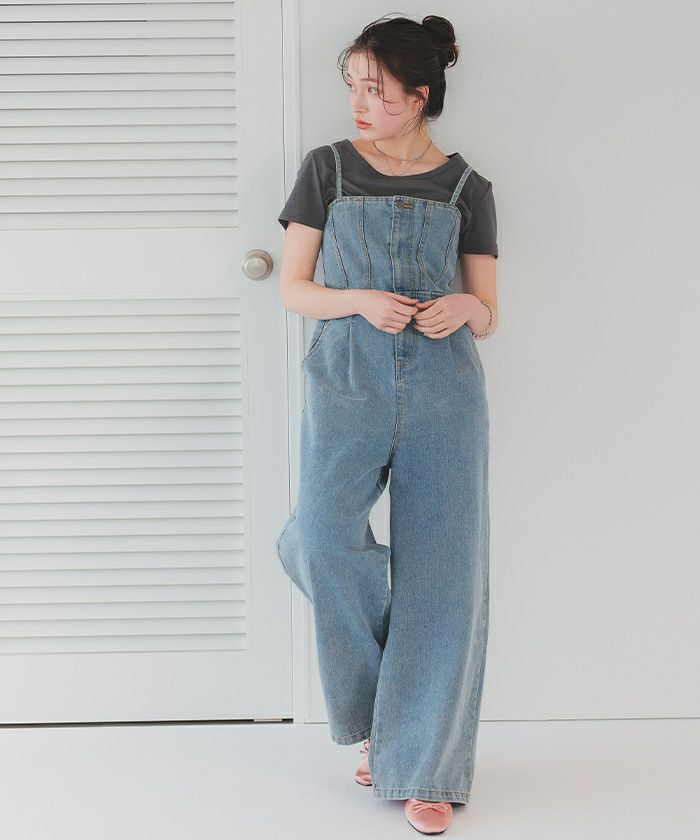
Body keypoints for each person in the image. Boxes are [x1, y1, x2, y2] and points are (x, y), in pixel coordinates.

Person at [275, 13, 498, 835]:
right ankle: (389, 720)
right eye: (354, 88)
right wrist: (360, 301)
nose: (360, 104)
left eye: (376, 90)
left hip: (445, 386)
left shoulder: (468, 187)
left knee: (446, 573)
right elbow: (294, 289)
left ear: (420, 94)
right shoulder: (326, 169)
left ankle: (425, 768)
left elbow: (489, 311)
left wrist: (465, 306)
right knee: (317, 538)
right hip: (347, 378)